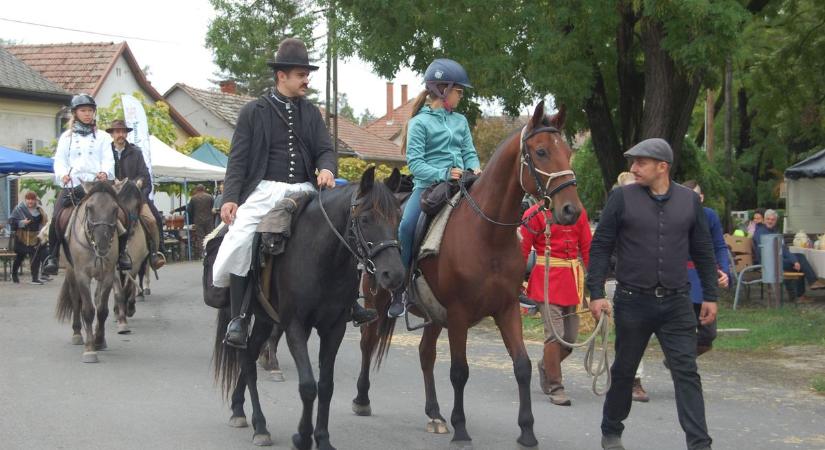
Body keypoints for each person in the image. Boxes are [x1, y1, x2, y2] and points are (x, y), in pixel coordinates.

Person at [213, 38, 376, 348]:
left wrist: (327, 169)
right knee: (240, 238)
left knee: (345, 230)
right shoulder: (253, 112)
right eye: (301, 75)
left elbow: (326, 149)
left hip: (304, 189)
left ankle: (349, 302)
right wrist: (232, 197)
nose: (306, 80)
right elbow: (238, 160)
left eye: (307, 74)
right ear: (281, 76)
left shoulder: (312, 113)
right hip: (264, 190)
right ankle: (239, 318)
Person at [587, 138, 718, 450]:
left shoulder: (689, 202)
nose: (633, 168)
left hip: (676, 302)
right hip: (633, 300)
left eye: (640, 162)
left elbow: (703, 250)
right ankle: (611, 430)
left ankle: (700, 444)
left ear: (663, 167)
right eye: (633, 162)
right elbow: (601, 245)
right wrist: (595, 292)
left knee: (687, 373)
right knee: (624, 371)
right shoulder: (621, 198)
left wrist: (710, 294)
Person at [387, 58, 481, 318]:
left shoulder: (460, 121)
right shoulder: (419, 123)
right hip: (428, 188)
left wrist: (476, 168)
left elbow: (469, 152)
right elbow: (416, 164)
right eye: (458, 91)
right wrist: (443, 173)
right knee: (406, 227)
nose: (461, 96)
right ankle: (401, 289)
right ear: (442, 89)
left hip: (462, 185)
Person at [42, 93, 124, 275]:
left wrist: (105, 171)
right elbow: (60, 161)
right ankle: (52, 257)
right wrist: (63, 175)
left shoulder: (103, 137)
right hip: (73, 185)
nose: (87, 114)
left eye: (90, 111)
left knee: (120, 215)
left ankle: (123, 254)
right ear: (75, 113)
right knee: (56, 218)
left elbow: (108, 159)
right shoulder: (66, 137)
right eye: (83, 111)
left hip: (96, 186)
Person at [519, 203, 591, 406]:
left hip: (572, 279)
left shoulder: (579, 211)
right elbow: (522, 250)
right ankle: (555, 386)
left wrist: (596, 289)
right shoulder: (533, 214)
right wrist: (515, 281)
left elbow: (587, 248)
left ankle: (546, 366)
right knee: (555, 334)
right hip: (546, 279)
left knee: (570, 339)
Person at [106, 119, 166, 270]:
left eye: (123, 131)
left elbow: (145, 177)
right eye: (117, 132)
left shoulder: (136, 152)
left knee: (153, 220)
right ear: (112, 134)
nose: (121, 134)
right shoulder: (105, 151)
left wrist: (138, 185)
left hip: (134, 197)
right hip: (112, 198)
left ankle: (155, 253)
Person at [752, 209, 825, 301]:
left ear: (776, 220)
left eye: (773, 219)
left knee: (800, 257)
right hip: (769, 262)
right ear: (764, 220)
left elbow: (783, 248)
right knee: (800, 262)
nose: (770, 221)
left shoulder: (775, 231)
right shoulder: (760, 232)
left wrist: (794, 260)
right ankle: (807, 288)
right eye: (768, 219)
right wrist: (793, 261)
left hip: (777, 258)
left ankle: (804, 291)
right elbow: (768, 252)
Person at [8, 192, 48, 284]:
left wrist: (42, 231)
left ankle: (35, 278)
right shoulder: (19, 209)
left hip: (35, 237)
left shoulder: (39, 210)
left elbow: (43, 221)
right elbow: (11, 221)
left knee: (35, 257)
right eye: (28, 199)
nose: (30, 201)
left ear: (35, 200)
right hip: (21, 237)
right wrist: (21, 222)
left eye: (32, 199)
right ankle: (14, 274)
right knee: (20, 257)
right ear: (25, 200)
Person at [182, 185, 214, 259]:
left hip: (198, 220)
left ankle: (203, 253)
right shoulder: (210, 197)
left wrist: (192, 218)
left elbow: (189, 210)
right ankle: (211, 252)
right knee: (210, 236)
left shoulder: (193, 198)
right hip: (209, 219)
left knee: (201, 237)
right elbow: (212, 207)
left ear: (197, 189)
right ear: (204, 189)